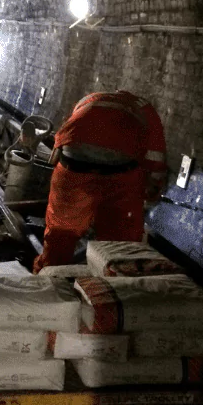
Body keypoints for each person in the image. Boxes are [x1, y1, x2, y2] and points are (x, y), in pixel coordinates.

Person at [32, 90, 168, 272]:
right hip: (120, 163)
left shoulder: (88, 99)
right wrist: (152, 188)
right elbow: (156, 157)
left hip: (73, 160)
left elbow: (71, 130)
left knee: (61, 231)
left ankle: (46, 277)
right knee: (119, 237)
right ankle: (115, 278)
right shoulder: (146, 109)